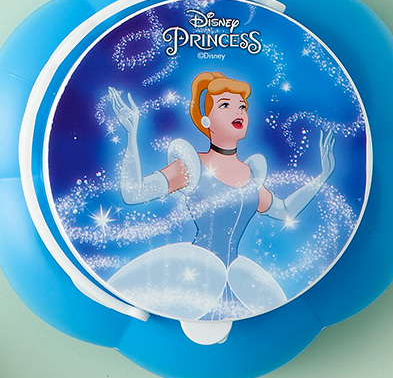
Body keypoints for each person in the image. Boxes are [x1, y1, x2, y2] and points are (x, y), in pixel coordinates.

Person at [102, 71, 335, 322]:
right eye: (225, 105)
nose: (238, 112)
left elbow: (285, 211)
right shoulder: (192, 166)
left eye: (242, 106)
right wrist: (131, 134)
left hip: (236, 284)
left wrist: (322, 176)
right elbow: (133, 193)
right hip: (195, 277)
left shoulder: (251, 174)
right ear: (206, 120)